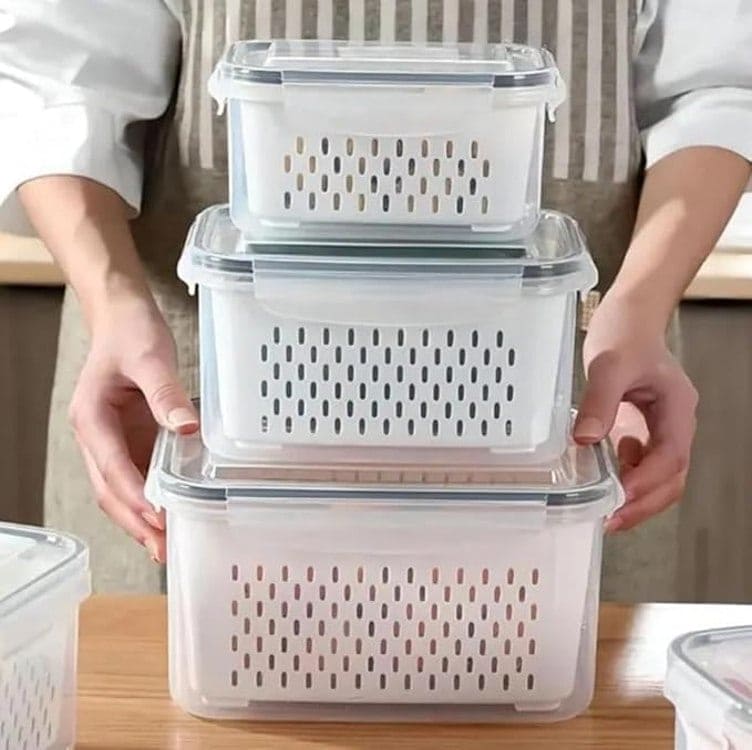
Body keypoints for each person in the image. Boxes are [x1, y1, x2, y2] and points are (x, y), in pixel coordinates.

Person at [1, 1, 750, 596]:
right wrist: (112, 301)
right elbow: (60, 78)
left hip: (561, 391)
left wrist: (641, 305)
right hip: (186, 376)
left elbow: (717, 85)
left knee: (548, 679)